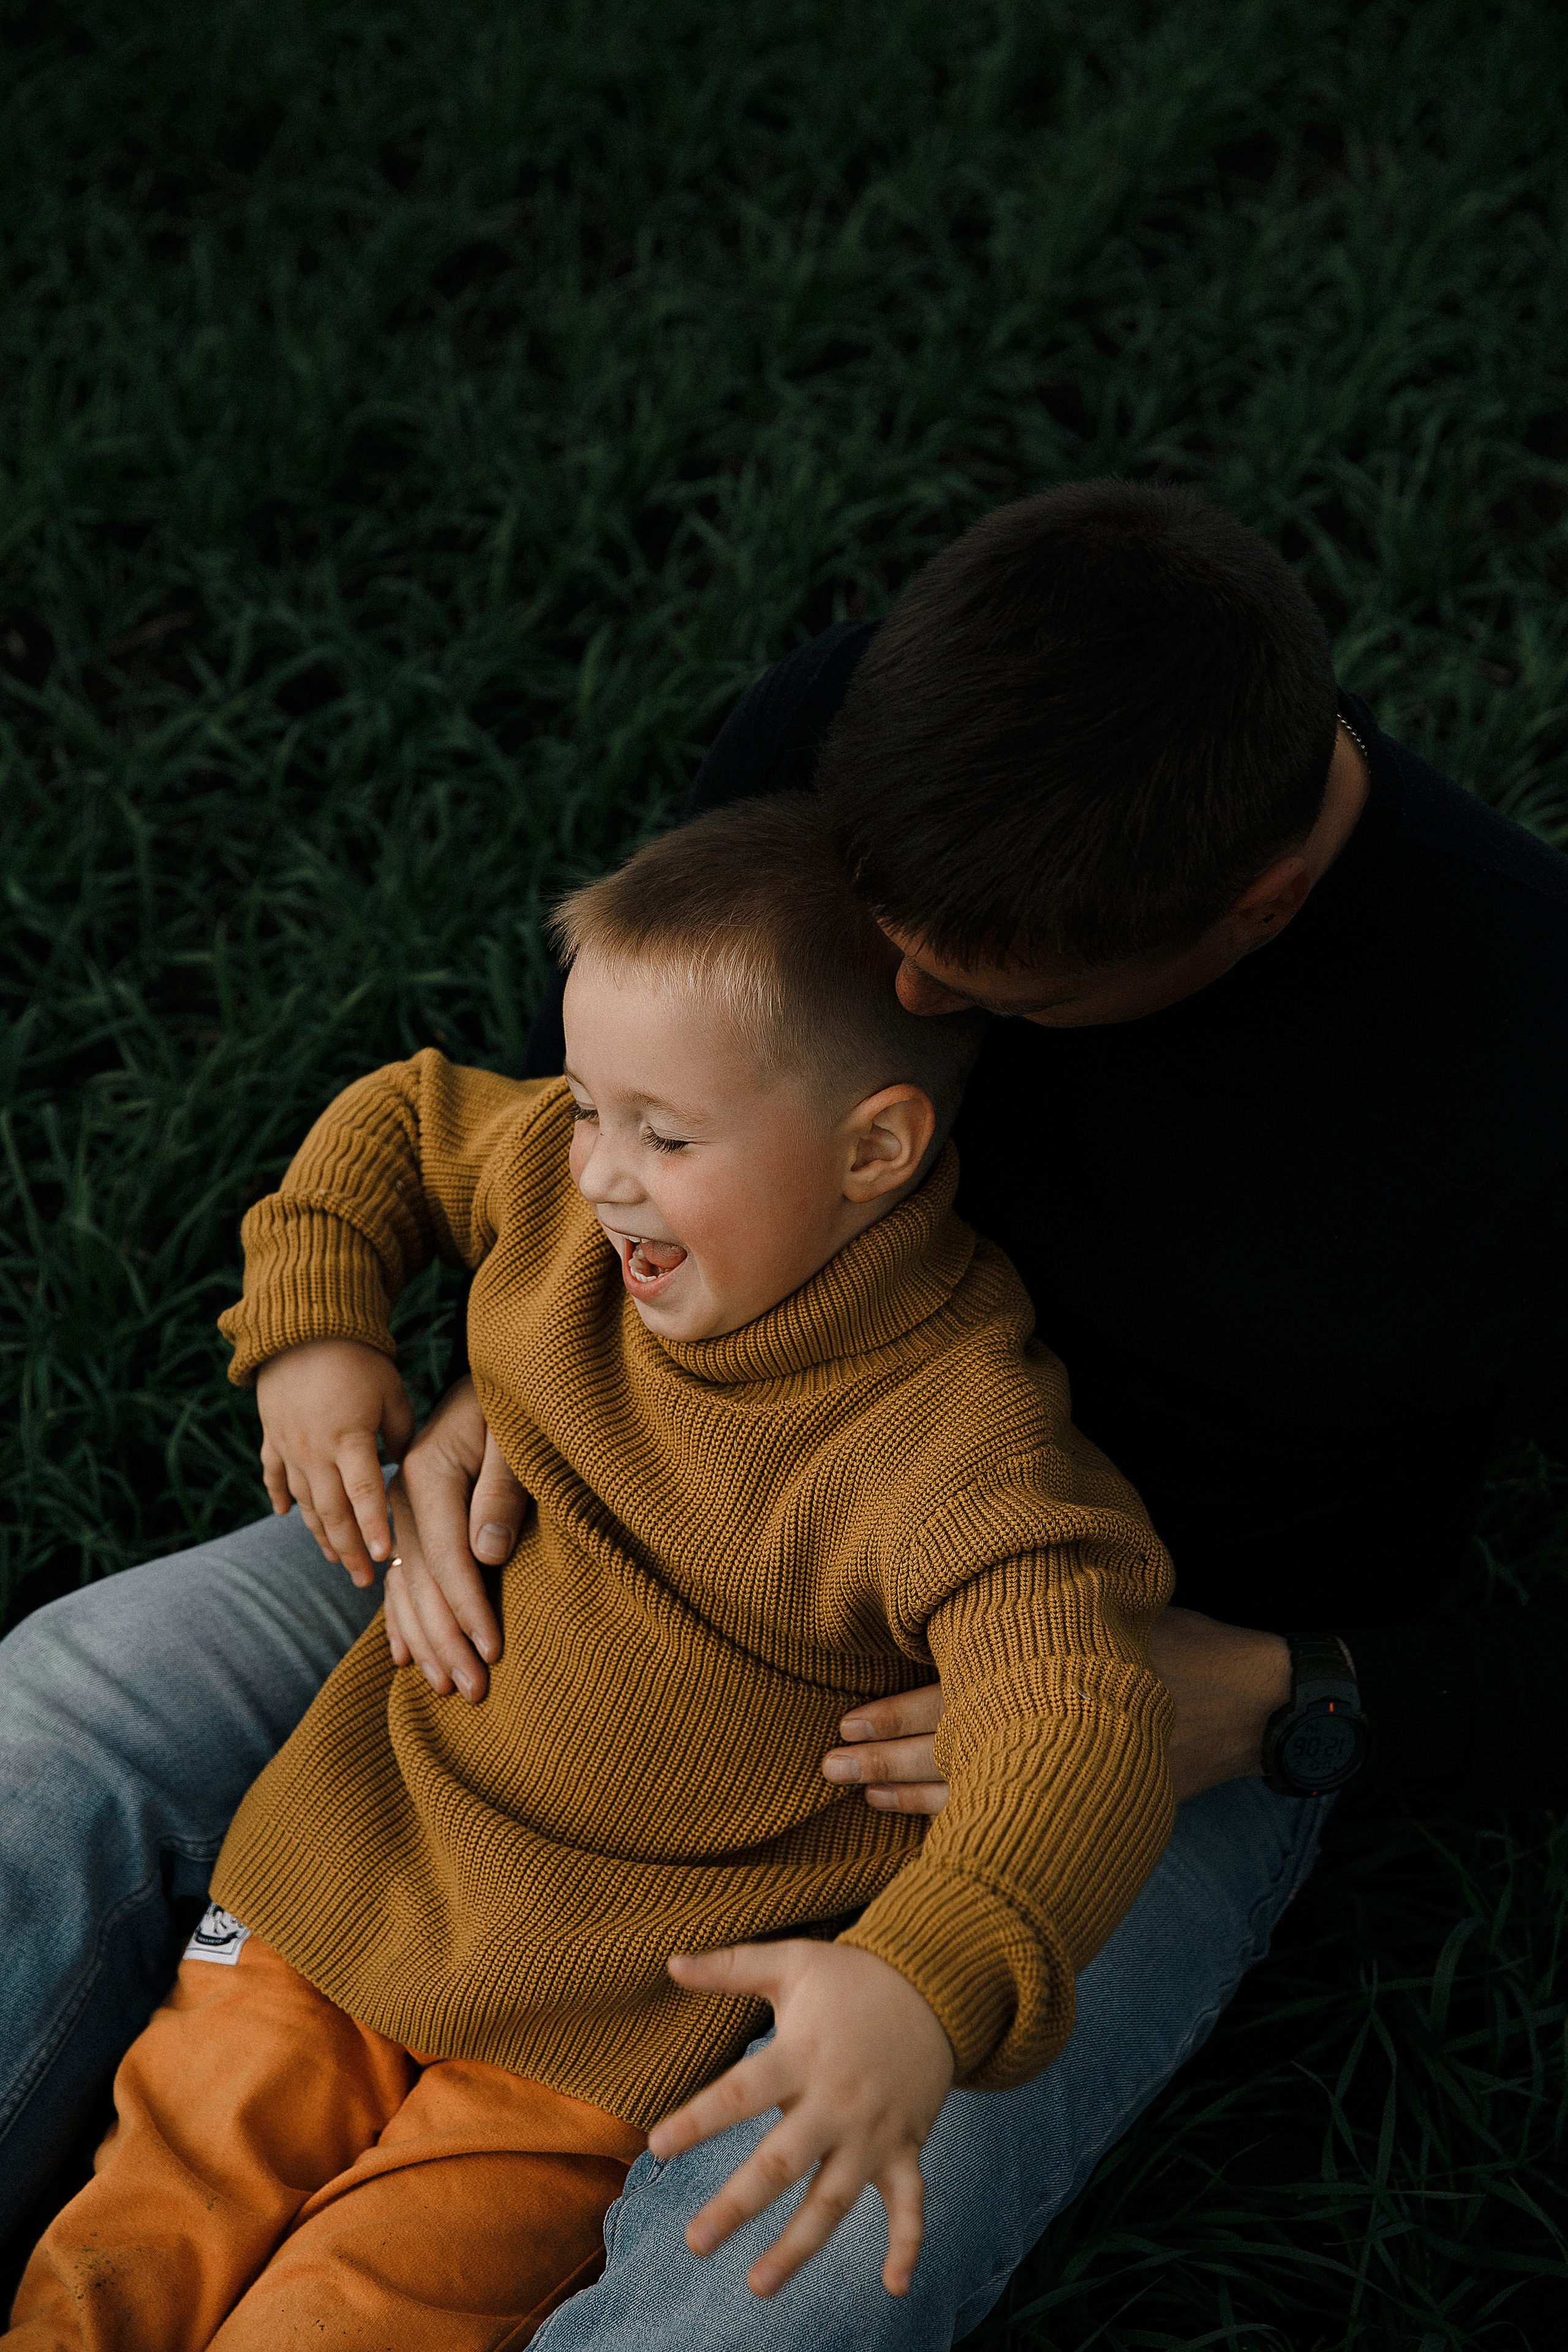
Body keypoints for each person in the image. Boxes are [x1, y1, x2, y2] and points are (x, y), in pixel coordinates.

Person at [2, 481, 1564, 2348]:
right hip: (590, 1516)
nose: (905, 999)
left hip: (1105, 1708)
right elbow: (578, 1084)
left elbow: (1077, 1717)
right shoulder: (865, 745)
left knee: (771, 2285)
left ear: (1258, 910)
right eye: (886, 931)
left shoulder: (1521, 1081)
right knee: (65, 1719)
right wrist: (514, 1351)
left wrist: (1311, 1698)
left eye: (987, 996)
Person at [7, 797, 1178, 2348]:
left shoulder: (949, 1443)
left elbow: (1078, 1715)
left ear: (874, 1149)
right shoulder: (579, 1209)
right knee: (134, 2237)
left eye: (664, 1136)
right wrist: (317, 1324)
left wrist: (925, 1977)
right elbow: (406, 1121)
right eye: (582, 1109)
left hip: (602, 2020)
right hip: (359, 1858)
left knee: (348, 2316)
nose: (602, 1176)